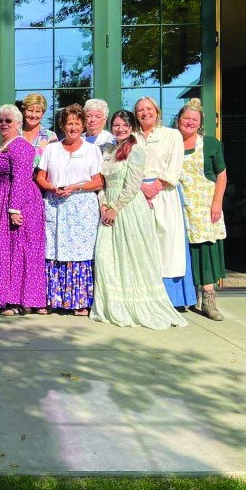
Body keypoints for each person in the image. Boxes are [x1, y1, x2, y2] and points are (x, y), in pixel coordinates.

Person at [90, 110, 188, 330]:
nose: (120, 129)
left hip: (129, 207)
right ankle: (112, 304)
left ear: (132, 127)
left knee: (130, 257)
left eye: (125, 125)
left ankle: (136, 305)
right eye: (116, 125)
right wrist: (104, 204)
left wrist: (115, 207)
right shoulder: (107, 149)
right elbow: (103, 182)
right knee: (107, 257)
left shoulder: (136, 149)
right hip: (109, 205)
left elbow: (134, 185)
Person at [35, 104, 104, 316]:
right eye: (69, 123)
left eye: (77, 123)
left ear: (83, 125)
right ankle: (52, 299)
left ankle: (79, 301)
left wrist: (76, 186)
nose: (73, 127)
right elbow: (40, 176)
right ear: (62, 126)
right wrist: (51, 187)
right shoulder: (52, 148)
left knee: (79, 253)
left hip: (81, 206)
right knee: (53, 251)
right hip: (55, 203)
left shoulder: (91, 150)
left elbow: (99, 182)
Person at [0, 104, 47, 315]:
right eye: (0, 120)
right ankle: (4, 298)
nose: (3, 123)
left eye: (8, 120)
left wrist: (14, 209)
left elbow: (20, 178)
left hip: (18, 202)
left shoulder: (19, 145)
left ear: (19, 123)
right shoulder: (3, 145)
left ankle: (18, 301)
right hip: (2, 199)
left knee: (18, 250)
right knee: (7, 249)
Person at [135, 96, 197, 311]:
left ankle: (171, 298)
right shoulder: (132, 137)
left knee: (167, 243)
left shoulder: (171, 135)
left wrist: (156, 186)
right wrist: (140, 187)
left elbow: (175, 165)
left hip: (165, 192)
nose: (145, 113)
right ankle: (145, 296)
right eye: (141, 110)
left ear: (157, 111)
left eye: (149, 109)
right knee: (142, 244)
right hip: (137, 194)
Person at [177, 98, 228, 321]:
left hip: (204, 205)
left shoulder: (210, 143)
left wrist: (217, 203)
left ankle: (208, 299)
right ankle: (183, 297)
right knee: (180, 251)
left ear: (200, 123)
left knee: (205, 250)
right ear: (178, 120)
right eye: (186, 118)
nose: (189, 123)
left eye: (194, 120)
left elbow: (221, 174)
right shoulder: (171, 142)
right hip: (178, 205)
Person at [20, 92, 58, 167]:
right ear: (24, 111)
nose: (33, 115)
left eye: (37, 112)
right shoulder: (15, 133)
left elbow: (55, 165)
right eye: (30, 110)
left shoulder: (50, 137)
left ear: (42, 114)